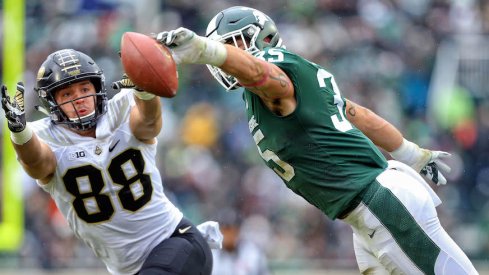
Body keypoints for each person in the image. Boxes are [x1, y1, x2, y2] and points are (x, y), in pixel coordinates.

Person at [154, 6, 479, 274]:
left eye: (230, 44)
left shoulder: (275, 70)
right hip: (366, 213)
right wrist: (412, 154)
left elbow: (271, 80)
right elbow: (358, 114)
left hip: (379, 203)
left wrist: (206, 50)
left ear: (255, 39)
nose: (223, 57)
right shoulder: (275, 87)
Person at [0, 49, 215, 275]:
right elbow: (38, 164)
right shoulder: (43, 136)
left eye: (84, 89)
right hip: (131, 269)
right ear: (51, 101)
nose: (79, 100)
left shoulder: (122, 108)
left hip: (174, 240)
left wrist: (145, 89)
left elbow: (149, 123)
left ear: (97, 87)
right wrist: (19, 132)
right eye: (67, 94)